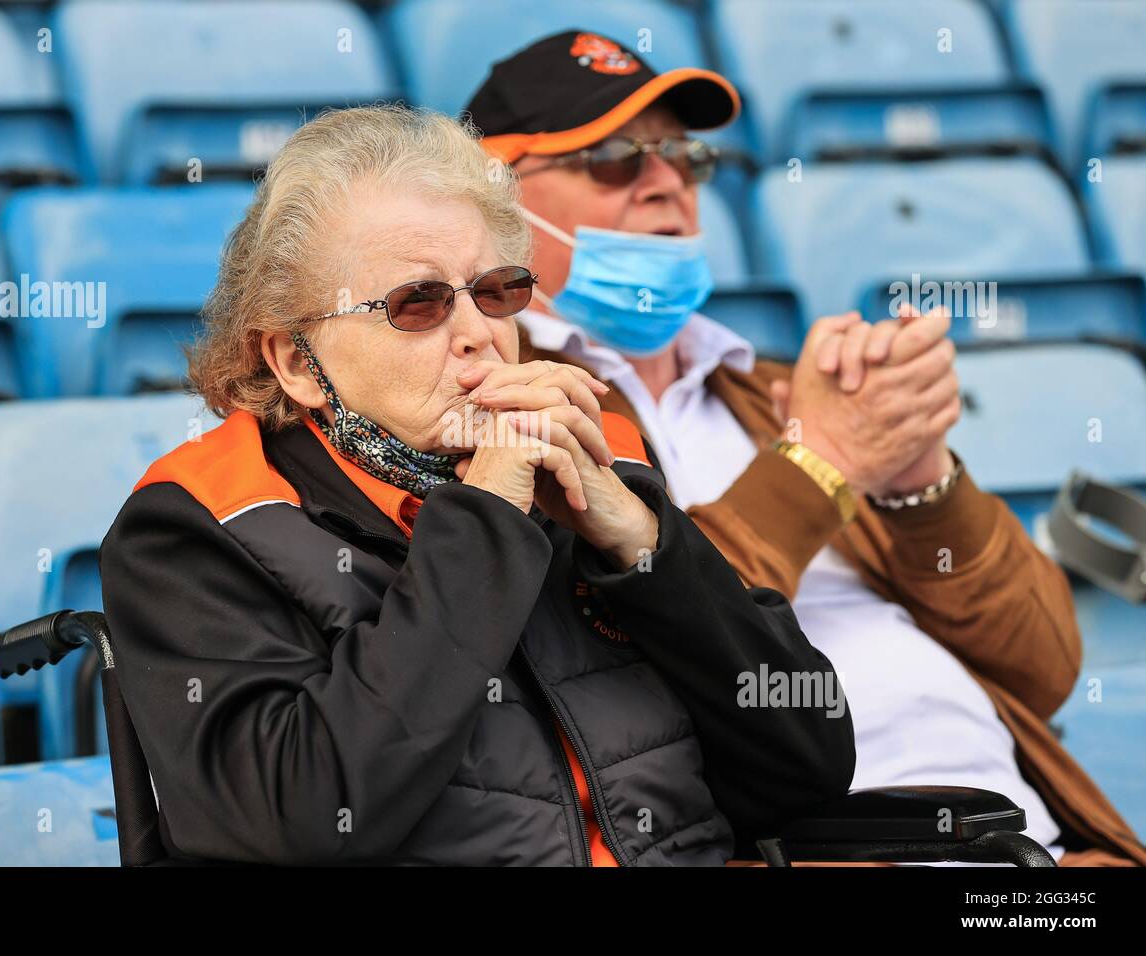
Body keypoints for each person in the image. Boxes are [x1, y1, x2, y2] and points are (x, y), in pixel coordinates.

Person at [99, 104, 855, 866]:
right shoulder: (201, 523)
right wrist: (487, 520)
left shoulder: (591, 461)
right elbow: (302, 822)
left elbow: (805, 768)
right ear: (297, 362)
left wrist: (646, 552)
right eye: (416, 304)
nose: (477, 331)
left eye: (495, 291)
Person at [464, 30, 1144, 866]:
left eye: (684, 157)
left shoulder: (771, 393)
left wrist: (917, 480)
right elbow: (620, 650)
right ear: (493, 203)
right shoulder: (506, 407)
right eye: (612, 157)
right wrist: (820, 464)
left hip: (1039, 847)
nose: (666, 180)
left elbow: (1043, 669)